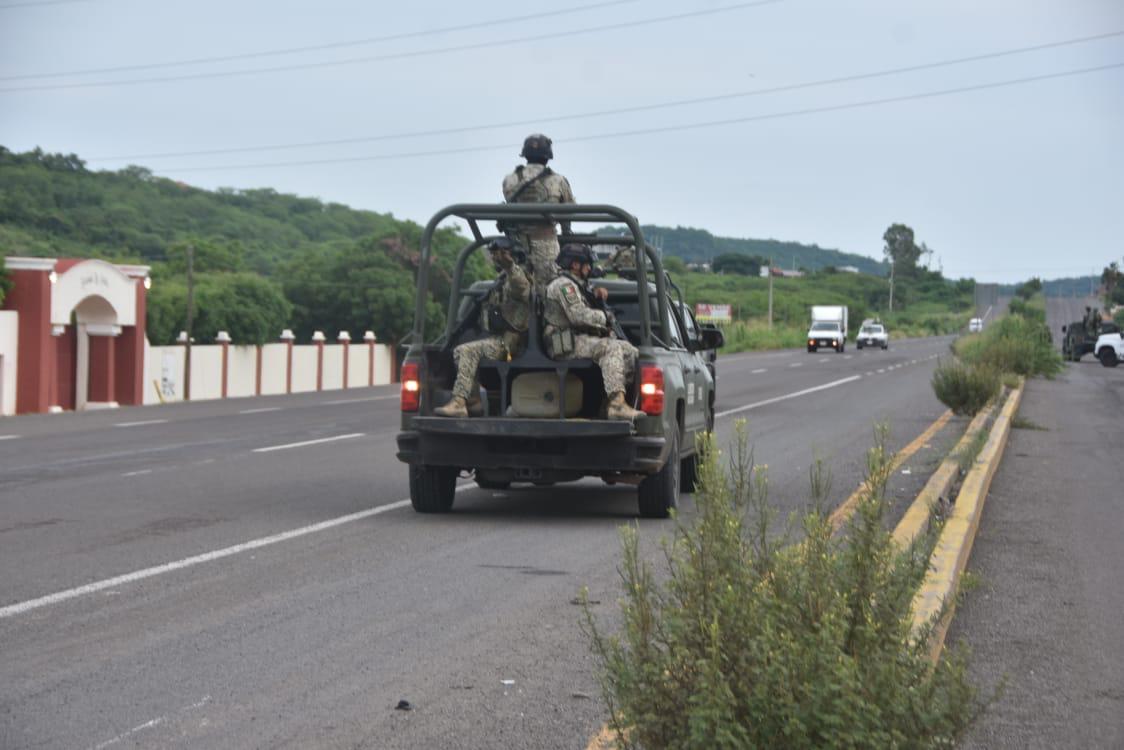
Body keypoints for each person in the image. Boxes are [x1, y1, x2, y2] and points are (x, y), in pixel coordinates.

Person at [544, 243, 644, 421]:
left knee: (630, 351)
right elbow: (578, 315)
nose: (589, 268)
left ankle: (608, 405)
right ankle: (617, 405)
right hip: (562, 343)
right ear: (575, 265)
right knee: (609, 348)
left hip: (575, 339)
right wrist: (604, 316)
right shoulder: (564, 286)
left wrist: (596, 298)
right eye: (587, 264)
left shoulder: (578, 285)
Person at [435, 238, 531, 418]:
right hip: (499, 341)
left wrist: (511, 267)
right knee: (459, 351)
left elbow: (522, 289)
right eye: (495, 255)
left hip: (512, 345)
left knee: (467, 351)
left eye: (502, 254)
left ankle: (459, 403)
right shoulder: (500, 281)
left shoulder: (518, 277)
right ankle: (473, 402)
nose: (497, 258)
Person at [501, 133, 576, 296]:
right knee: (550, 290)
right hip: (546, 243)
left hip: (516, 243)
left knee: (516, 289)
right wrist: (566, 233)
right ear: (548, 156)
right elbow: (569, 211)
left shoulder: (509, 180)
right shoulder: (558, 180)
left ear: (525, 154)